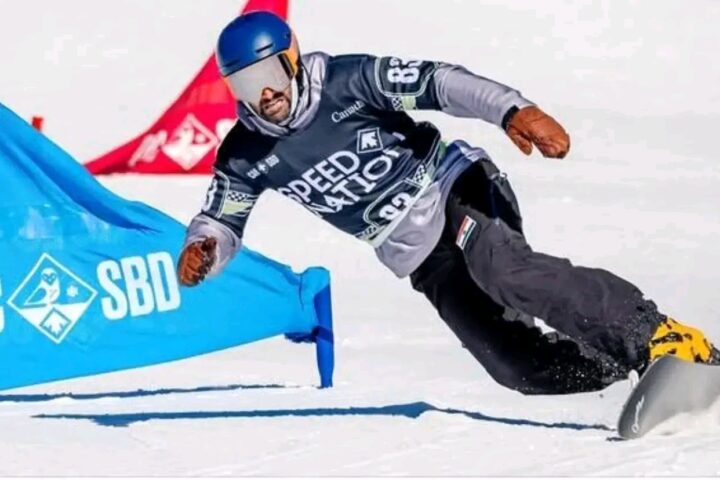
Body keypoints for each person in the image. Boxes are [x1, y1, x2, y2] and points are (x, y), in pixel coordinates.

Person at [177, 11, 718, 394]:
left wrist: (512, 110)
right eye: (246, 85)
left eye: (269, 75)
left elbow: (438, 82)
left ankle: (658, 337)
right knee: (515, 366)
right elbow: (221, 220)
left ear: (291, 60)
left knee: (505, 271)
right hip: (415, 252)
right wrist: (204, 248)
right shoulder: (245, 154)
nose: (265, 95)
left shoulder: (345, 81)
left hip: (454, 187)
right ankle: (624, 365)